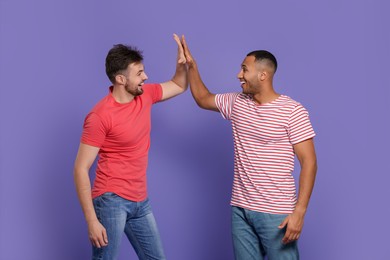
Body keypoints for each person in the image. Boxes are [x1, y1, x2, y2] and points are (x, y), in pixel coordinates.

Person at [181, 36, 317, 260]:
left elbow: (309, 163)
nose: (239, 75)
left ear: (263, 75)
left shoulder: (293, 111)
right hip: (241, 210)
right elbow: (203, 98)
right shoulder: (237, 103)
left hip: (276, 213)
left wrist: (299, 212)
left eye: (244, 69)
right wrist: (192, 66)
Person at [73, 34, 187, 260]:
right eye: (139, 73)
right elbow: (80, 169)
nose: (146, 77)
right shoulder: (100, 116)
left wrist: (181, 63)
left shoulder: (144, 96)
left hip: (140, 200)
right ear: (120, 79)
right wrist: (91, 221)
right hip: (110, 200)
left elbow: (178, 84)